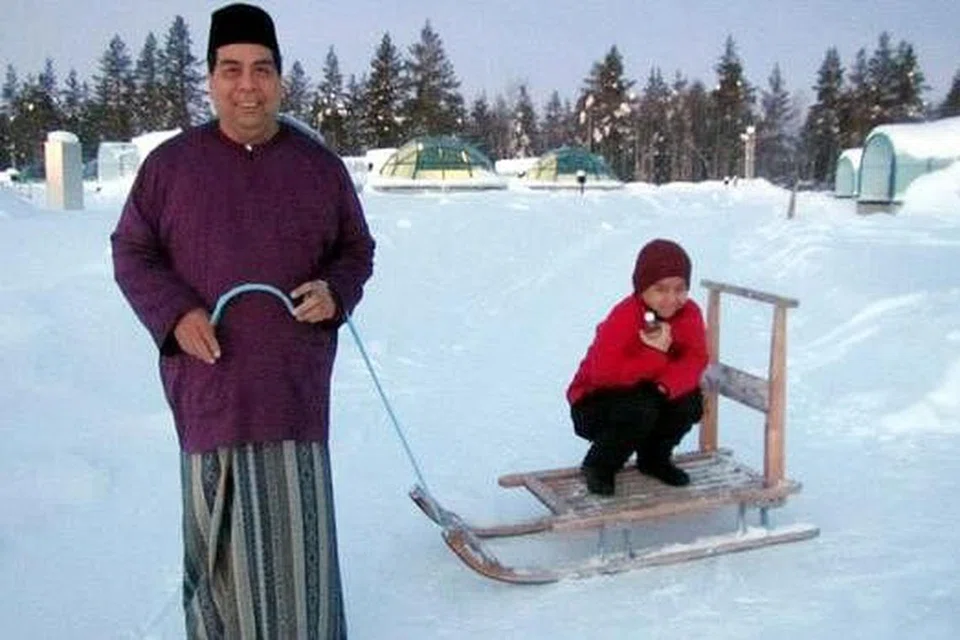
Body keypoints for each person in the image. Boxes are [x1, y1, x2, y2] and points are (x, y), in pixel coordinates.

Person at [111, 3, 374, 637]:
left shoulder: (318, 169)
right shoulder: (171, 168)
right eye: (231, 69)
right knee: (216, 547)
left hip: (291, 387)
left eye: (261, 69)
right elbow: (131, 251)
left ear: (281, 79)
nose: (247, 84)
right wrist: (176, 313)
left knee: (296, 549)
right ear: (210, 79)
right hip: (210, 385)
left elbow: (355, 249)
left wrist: (334, 291)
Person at [567, 239, 708, 496]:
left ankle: (654, 459)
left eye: (680, 289)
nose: (671, 298)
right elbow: (603, 374)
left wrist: (664, 386)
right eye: (660, 289)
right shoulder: (624, 316)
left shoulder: (689, 314)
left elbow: (695, 358)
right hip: (592, 403)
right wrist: (654, 354)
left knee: (689, 402)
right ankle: (599, 465)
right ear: (642, 288)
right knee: (640, 409)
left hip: (649, 394)